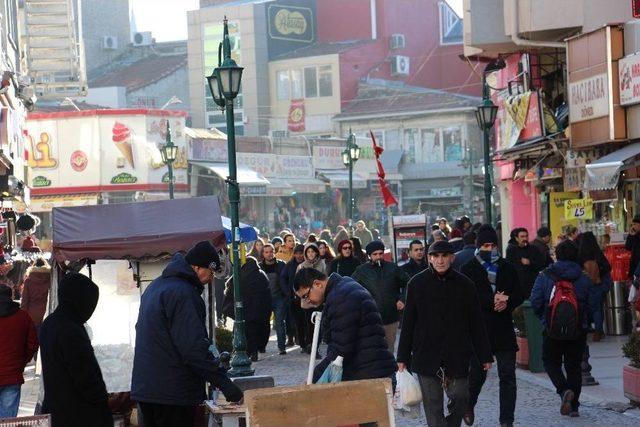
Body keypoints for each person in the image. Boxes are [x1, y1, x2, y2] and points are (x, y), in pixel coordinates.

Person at [132, 241, 243, 426]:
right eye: (211, 272)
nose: (211, 278)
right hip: (173, 394)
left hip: (148, 389)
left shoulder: (156, 287)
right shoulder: (184, 294)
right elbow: (193, 348)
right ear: (197, 267)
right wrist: (225, 383)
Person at [397, 241, 492, 427]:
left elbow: (477, 323)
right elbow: (408, 323)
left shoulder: (465, 285)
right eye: (436, 256)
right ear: (429, 258)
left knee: (461, 396)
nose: (440, 260)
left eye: (444, 256)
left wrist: (485, 355)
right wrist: (402, 357)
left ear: (452, 258)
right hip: (426, 353)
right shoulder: (416, 284)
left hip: (457, 353)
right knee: (432, 406)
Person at [460, 225, 523, 427]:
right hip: (480, 330)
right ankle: (469, 405)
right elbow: (466, 298)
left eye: (493, 245)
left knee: (508, 376)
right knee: (477, 375)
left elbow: (519, 293)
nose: (489, 249)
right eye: (485, 245)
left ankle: (507, 420)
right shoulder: (468, 268)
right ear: (479, 246)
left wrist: (507, 301)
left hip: (503, 329)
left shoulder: (507, 267)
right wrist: (492, 300)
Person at [293, 268, 396, 383]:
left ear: (317, 284)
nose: (306, 302)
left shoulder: (341, 298)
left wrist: (312, 377)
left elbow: (341, 349)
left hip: (368, 375)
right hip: (370, 369)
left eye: (306, 296)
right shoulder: (342, 289)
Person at [40, 273, 113, 426]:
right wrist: (102, 407)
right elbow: (86, 376)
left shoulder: (50, 323)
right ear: (79, 300)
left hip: (57, 411)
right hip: (79, 414)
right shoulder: (70, 329)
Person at [530, 239, 592, 418]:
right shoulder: (582, 276)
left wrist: (545, 319)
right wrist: (584, 321)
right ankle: (574, 407)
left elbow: (535, 301)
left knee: (550, 362)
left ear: (556, 255)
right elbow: (592, 302)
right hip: (577, 330)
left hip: (552, 329)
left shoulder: (545, 275)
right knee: (574, 366)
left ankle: (563, 390)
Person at [352, 240, 409, 352]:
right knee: (373, 352)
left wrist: (402, 299)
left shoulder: (392, 268)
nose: (378, 256)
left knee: (389, 350)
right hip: (370, 319)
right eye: (375, 254)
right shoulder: (362, 271)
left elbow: (408, 283)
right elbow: (350, 287)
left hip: (391, 318)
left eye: (380, 253)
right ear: (369, 256)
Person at [0, 284, 38, 418]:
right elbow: (32, 344)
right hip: (12, 375)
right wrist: (20, 362)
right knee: (8, 420)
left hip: (12, 373)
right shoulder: (23, 317)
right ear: (10, 297)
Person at [225, 256, 271, 361]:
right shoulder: (261, 275)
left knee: (245, 332)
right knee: (256, 333)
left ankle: (245, 352)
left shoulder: (239, 275)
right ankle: (254, 352)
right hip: (259, 312)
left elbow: (230, 290)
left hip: (244, 312)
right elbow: (267, 294)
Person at [577, 231, 612, 341]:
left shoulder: (580, 255)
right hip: (599, 283)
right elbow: (608, 267)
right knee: (598, 307)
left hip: (587, 285)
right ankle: (599, 330)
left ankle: (593, 329)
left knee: (591, 307)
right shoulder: (598, 253)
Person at [260, 243, 289, 355]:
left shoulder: (281, 265)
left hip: (279, 298)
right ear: (263, 253)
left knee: (280, 322)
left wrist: (286, 294)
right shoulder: (259, 266)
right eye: (266, 252)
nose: (269, 254)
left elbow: (285, 280)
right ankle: (262, 346)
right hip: (265, 299)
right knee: (264, 323)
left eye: (271, 251)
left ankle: (282, 347)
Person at [282, 244, 310, 352]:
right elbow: (283, 279)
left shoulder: (306, 265)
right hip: (293, 298)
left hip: (306, 297)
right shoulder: (289, 265)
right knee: (297, 321)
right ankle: (300, 341)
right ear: (294, 254)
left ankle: (307, 342)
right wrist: (287, 292)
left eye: (301, 253)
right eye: (297, 253)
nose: (299, 256)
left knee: (307, 321)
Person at [506, 227, 544, 298]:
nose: (525, 239)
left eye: (526, 236)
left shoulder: (534, 249)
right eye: (522, 236)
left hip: (531, 286)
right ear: (516, 238)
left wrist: (530, 263)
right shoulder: (511, 250)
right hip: (517, 287)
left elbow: (540, 265)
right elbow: (508, 268)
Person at [20, 257, 52, 329]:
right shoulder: (49, 279)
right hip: (46, 312)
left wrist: (22, 316)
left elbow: (24, 300)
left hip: (31, 314)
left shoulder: (28, 280)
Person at [626, 215, 640, 279]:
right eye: (632, 225)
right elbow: (628, 247)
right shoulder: (634, 235)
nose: (633, 226)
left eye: (635, 224)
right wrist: (630, 235)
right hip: (635, 267)